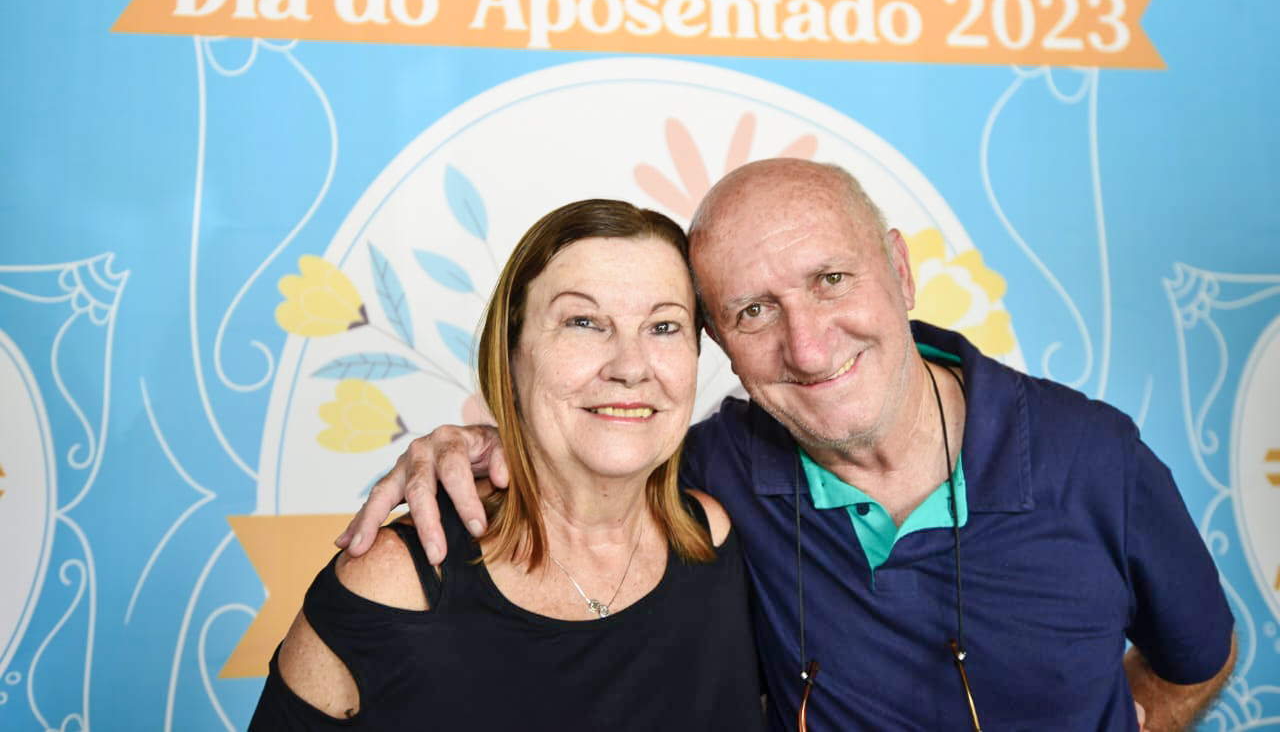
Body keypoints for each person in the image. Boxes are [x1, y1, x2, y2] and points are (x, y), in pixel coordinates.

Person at [339, 159, 1237, 731]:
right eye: (754, 312)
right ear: (718, 345)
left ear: (899, 270)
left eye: (832, 279)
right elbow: (592, 453)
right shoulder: (708, 486)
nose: (807, 349)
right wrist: (481, 445)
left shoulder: (1096, 457)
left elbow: (1199, 658)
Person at [252, 199, 764, 730]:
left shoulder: (715, 540)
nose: (630, 367)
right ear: (511, 354)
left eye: (663, 327)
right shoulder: (394, 583)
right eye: (583, 322)